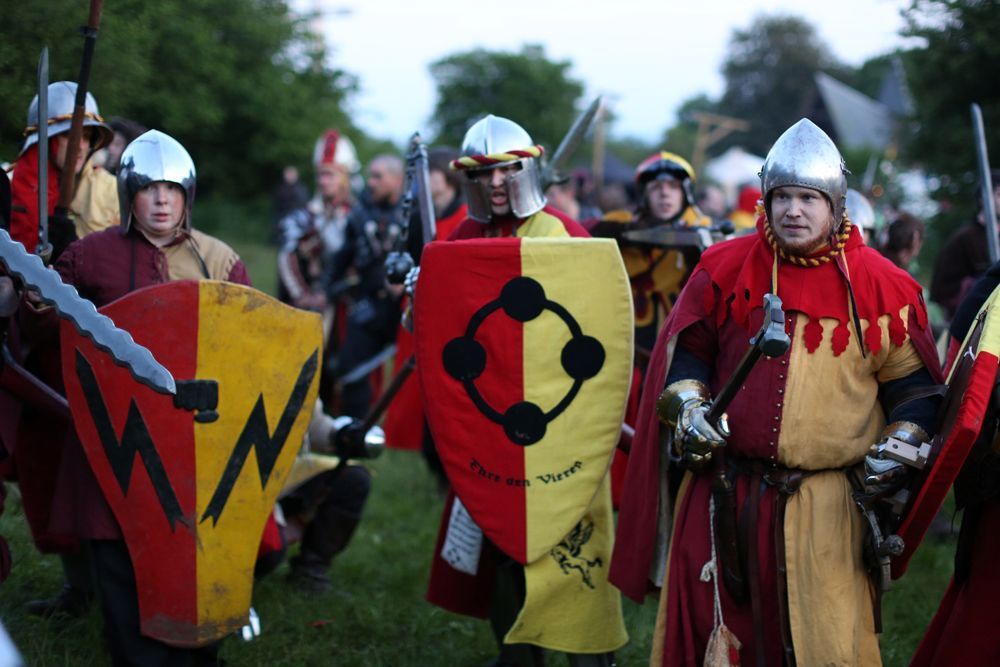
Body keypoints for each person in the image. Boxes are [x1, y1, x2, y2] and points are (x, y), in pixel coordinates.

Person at [611, 119, 942, 666]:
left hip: (827, 506)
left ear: (835, 204)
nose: (792, 211)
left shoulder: (886, 287)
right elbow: (687, 355)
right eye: (782, 197)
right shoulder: (722, 268)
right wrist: (689, 407)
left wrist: (902, 440)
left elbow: (915, 388)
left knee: (825, 648)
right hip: (725, 495)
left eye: (808, 198)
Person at [422, 114, 624, 667]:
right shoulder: (460, 241)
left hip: (561, 421)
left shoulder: (566, 235)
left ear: (528, 168)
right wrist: (421, 294)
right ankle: (518, 656)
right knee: (499, 541)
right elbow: (443, 336)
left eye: (508, 169)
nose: (496, 183)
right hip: (490, 421)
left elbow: (601, 322)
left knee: (575, 544)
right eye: (483, 173)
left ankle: (589, 659)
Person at [326, 153, 405, 418]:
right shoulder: (360, 213)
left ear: (397, 179)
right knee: (350, 368)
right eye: (371, 176)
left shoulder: (414, 214)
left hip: (404, 306)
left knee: (413, 371)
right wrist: (325, 288)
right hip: (368, 302)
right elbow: (343, 256)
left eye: (378, 177)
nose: (371, 182)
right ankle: (353, 429)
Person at [8, 80, 115, 260]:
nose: (79, 146)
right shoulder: (9, 187)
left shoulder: (112, 192)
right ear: (46, 141)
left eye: (86, 137)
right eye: (69, 135)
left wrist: (74, 252)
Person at [277, 129, 359, 311]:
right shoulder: (304, 217)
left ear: (344, 178)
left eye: (330, 175)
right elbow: (287, 256)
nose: (323, 181)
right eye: (320, 175)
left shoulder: (358, 215)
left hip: (347, 305)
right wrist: (303, 297)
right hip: (311, 304)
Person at [930, 169, 1000, 321]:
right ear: (984, 199)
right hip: (971, 319)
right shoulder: (964, 238)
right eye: (999, 195)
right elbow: (941, 289)